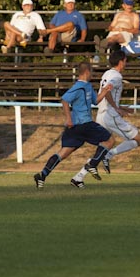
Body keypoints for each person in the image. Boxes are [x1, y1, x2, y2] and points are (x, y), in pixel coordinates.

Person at [33, 61, 114, 189]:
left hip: (77, 127)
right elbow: (65, 100)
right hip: (83, 124)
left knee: (63, 152)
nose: (92, 74)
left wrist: (105, 90)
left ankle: (42, 175)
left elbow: (95, 101)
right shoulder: (78, 87)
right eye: (91, 72)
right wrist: (69, 118)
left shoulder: (88, 86)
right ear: (87, 72)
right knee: (109, 140)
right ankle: (92, 164)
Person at [95, 50, 140, 175]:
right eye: (125, 61)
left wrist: (120, 107)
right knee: (139, 139)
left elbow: (106, 93)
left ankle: (79, 176)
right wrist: (116, 108)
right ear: (121, 62)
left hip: (100, 115)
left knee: (103, 146)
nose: (126, 64)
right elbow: (107, 91)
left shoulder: (107, 73)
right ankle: (109, 155)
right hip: (110, 115)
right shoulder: (117, 76)